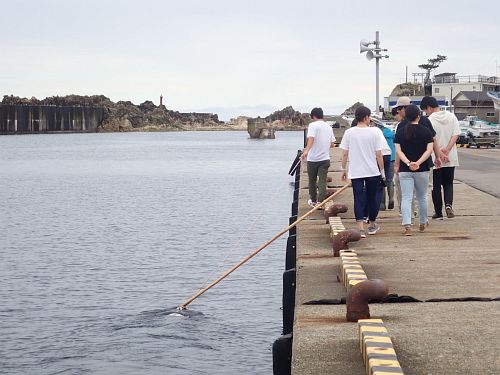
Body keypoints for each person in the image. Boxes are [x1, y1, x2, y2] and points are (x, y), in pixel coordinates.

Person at [340, 106, 386, 238]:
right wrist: (382, 171)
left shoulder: (349, 132)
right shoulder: (375, 132)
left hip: (356, 172)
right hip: (372, 171)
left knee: (358, 199)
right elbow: (379, 155)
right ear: (366, 117)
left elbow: (345, 153)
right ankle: (372, 225)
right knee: (373, 199)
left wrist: (343, 169)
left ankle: (360, 228)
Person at [394, 105, 434, 236]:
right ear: (418, 116)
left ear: (405, 116)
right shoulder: (426, 131)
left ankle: (407, 226)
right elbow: (429, 150)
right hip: (422, 169)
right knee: (422, 196)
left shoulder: (400, 132)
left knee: (406, 197)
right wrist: (418, 162)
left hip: (405, 169)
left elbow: (398, 151)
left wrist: (408, 162)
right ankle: (422, 222)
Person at [420, 96, 461, 219]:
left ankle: (438, 213)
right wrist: (447, 150)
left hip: (435, 157)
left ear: (429, 107)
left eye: (425, 110)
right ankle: (448, 204)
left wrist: (440, 154)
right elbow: (456, 134)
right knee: (448, 183)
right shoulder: (451, 116)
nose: (426, 113)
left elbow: (430, 139)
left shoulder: (429, 120)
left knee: (436, 186)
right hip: (450, 157)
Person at [301, 107, 336, 208]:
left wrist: (306, 151)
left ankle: (313, 200)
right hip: (325, 159)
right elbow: (332, 144)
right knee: (322, 180)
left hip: (313, 159)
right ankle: (320, 201)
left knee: (312, 180)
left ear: (313, 116)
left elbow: (311, 139)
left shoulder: (313, 125)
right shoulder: (328, 127)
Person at [374, 120, 395, 210]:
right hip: (392, 157)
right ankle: (391, 198)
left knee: (381, 180)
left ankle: (382, 204)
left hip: (381, 157)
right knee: (390, 180)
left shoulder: (376, 133)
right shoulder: (390, 132)